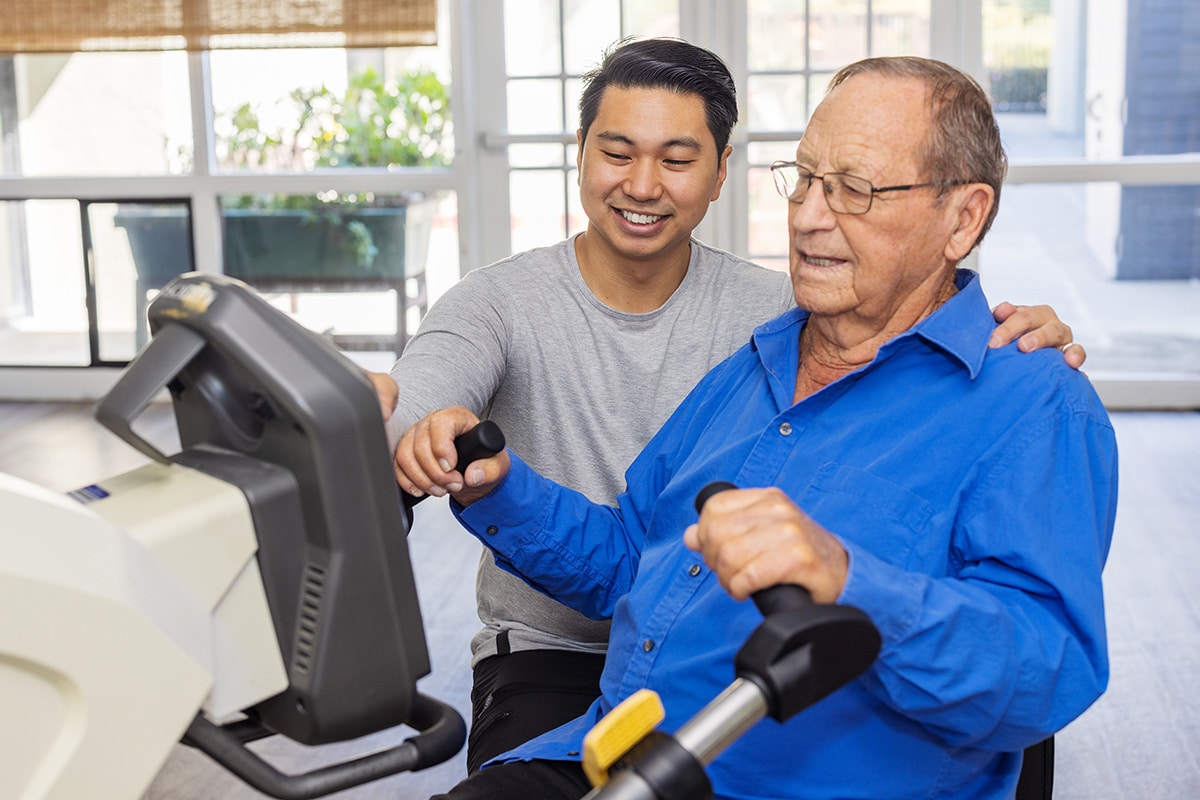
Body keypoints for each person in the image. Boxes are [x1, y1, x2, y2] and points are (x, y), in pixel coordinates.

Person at [401, 55, 1118, 800]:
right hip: (616, 753)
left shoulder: (1033, 404)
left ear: (962, 218)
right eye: (805, 178)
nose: (808, 215)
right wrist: (502, 490)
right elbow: (629, 561)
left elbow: (1046, 672)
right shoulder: (754, 363)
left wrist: (846, 581)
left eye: (855, 190)